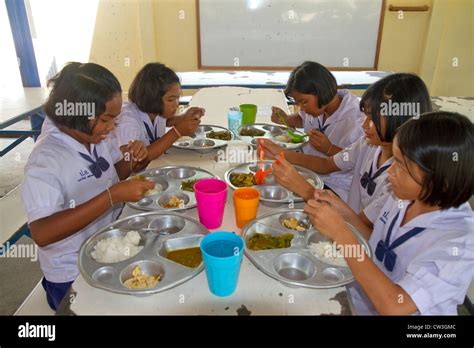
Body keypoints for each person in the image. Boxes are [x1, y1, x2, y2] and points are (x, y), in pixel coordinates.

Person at [304, 112, 474, 315]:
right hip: (361, 300)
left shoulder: (459, 243)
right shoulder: (404, 196)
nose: (390, 172)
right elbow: (377, 244)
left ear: (440, 180)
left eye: (401, 166)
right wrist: (343, 211)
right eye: (394, 160)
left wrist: (342, 235)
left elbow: (394, 305)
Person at [21, 62, 154, 310]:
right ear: (78, 115)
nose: (113, 127)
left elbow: (111, 171)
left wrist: (133, 158)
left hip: (108, 248)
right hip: (71, 273)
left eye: (115, 119)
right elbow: (42, 233)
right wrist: (111, 197)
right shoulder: (45, 161)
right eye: (106, 119)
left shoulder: (93, 136)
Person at [262, 73, 432, 228]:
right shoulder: (368, 144)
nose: (364, 124)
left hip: (354, 234)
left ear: (399, 118)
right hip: (347, 220)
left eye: (372, 118)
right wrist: (280, 154)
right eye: (365, 115)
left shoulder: (401, 178)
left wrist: (305, 189)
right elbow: (326, 164)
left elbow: (364, 229)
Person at [270, 61, 364, 200]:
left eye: (304, 102)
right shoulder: (319, 105)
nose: (302, 108)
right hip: (308, 170)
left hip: (334, 185)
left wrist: (329, 149)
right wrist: (287, 119)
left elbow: (359, 161)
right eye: (298, 103)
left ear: (321, 91)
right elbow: (303, 118)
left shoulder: (357, 120)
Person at [114, 62, 204, 161]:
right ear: (152, 98)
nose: (176, 104)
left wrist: (184, 116)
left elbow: (167, 121)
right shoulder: (127, 119)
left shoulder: (156, 111)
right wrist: (177, 132)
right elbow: (131, 161)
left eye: (178, 98)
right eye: (170, 100)